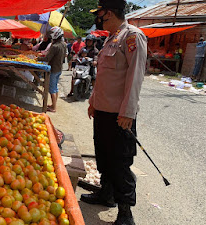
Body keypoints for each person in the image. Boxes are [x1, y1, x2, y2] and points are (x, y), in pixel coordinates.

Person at [81, 1, 147, 225]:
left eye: (99, 13)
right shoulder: (111, 38)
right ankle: (106, 195)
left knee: (119, 162)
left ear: (108, 13)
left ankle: (125, 213)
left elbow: (135, 78)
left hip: (119, 115)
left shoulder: (132, 37)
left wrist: (128, 112)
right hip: (102, 111)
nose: (97, 18)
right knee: (104, 157)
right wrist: (93, 101)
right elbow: (104, 79)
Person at [38, 27, 67, 113]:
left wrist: (37, 58)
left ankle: (54, 107)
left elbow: (47, 58)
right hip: (59, 68)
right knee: (55, 87)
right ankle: (54, 104)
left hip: (54, 68)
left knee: (52, 89)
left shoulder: (55, 46)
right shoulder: (64, 44)